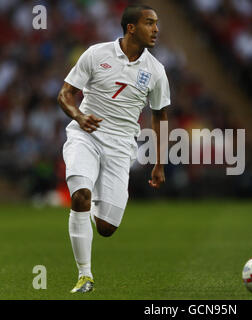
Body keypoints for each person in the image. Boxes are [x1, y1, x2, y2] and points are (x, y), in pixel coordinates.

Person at [57, 4, 170, 293]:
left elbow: (160, 116)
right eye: (149, 23)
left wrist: (159, 163)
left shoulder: (156, 71)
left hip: (121, 147)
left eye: (156, 23)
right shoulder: (96, 54)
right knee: (80, 195)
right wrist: (80, 116)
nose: (156, 29)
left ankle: (94, 199)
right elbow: (65, 94)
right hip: (86, 135)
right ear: (131, 27)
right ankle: (85, 276)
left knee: (107, 228)